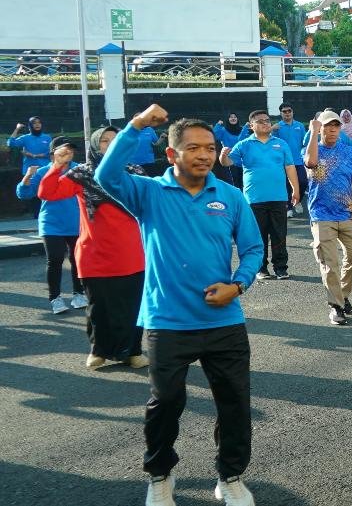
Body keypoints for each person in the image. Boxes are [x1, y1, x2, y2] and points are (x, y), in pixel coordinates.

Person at [96, 104, 262, 506]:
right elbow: (106, 175)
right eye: (193, 148)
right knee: (166, 402)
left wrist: (238, 285)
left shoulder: (231, 196)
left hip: (224, 320)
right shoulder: (148, 192)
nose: (204, 155)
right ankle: (160, 475)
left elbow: (254, 249)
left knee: (235, 402)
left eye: (209, 147)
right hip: (166, 320)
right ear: (172, 154)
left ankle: (230, 476)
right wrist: (136, 126)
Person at [39, 126, 147, 369]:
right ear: (96, 146)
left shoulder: (136, 173)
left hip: (133, 254)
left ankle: (133, 351)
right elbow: (48, 192)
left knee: (133, 307)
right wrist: (57, 166)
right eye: (105, 141)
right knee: (99, 308)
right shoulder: (81, 174)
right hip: (94, 254)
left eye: (116, 140)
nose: (110, 145)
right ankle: (99, 350)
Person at [221, 110, 300, 281]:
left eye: (267, 120)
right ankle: (261, 268)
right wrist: (223, 156)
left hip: (279, 196)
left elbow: (290, 167)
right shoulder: (244, 144)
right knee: (259, 235)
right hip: (254, 198)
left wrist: (296, 189)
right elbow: (228, 162)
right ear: (251, 125)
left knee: (279, 234)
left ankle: (281, 268)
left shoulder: (280, 144)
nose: (266, 123)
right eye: (261, 121)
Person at [305, 110, 352, 323]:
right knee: (330, 263)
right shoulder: (313, 149)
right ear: (320, 127)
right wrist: (313, 133)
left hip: (346, 212)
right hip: (321, 214)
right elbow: (311, 163)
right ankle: (336, 306)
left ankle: (342, 294)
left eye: (336, 126)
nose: (332, 129)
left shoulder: (348, 151)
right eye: (327, 126)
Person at [16, 137, 85, 314]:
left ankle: (79, 294)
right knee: (54, 259)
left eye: (70, 150)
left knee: (78, 259)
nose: (68, 153)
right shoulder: (42, 172)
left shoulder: (79, 169)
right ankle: (55, 298)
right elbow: (24, 194)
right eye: (64, 150)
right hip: (51, 223)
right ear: (53, 153)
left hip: (75, 221)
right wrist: (27, 176)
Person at [273, 103, 308, 217]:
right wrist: (272, 129)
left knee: (303, 181)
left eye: (289, 111)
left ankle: (297, 201)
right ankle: (288, 206)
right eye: (284, 111)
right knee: (286, 185)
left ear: (292, 112)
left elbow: (305, 142)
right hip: (282, 162)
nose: (287, 113)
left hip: (298, 160)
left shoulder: (300, 126)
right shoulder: (277, 127)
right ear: (281, 113)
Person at [213, 113, 245, 186]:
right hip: (229, 159)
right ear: (227, 119)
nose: (233, 118)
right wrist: (218, 125)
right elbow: (214, 135)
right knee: (233, 181)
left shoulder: (243, 129)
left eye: (235, 117)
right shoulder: (223, 130)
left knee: (244, 181)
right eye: (231, 117)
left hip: (243, 159)